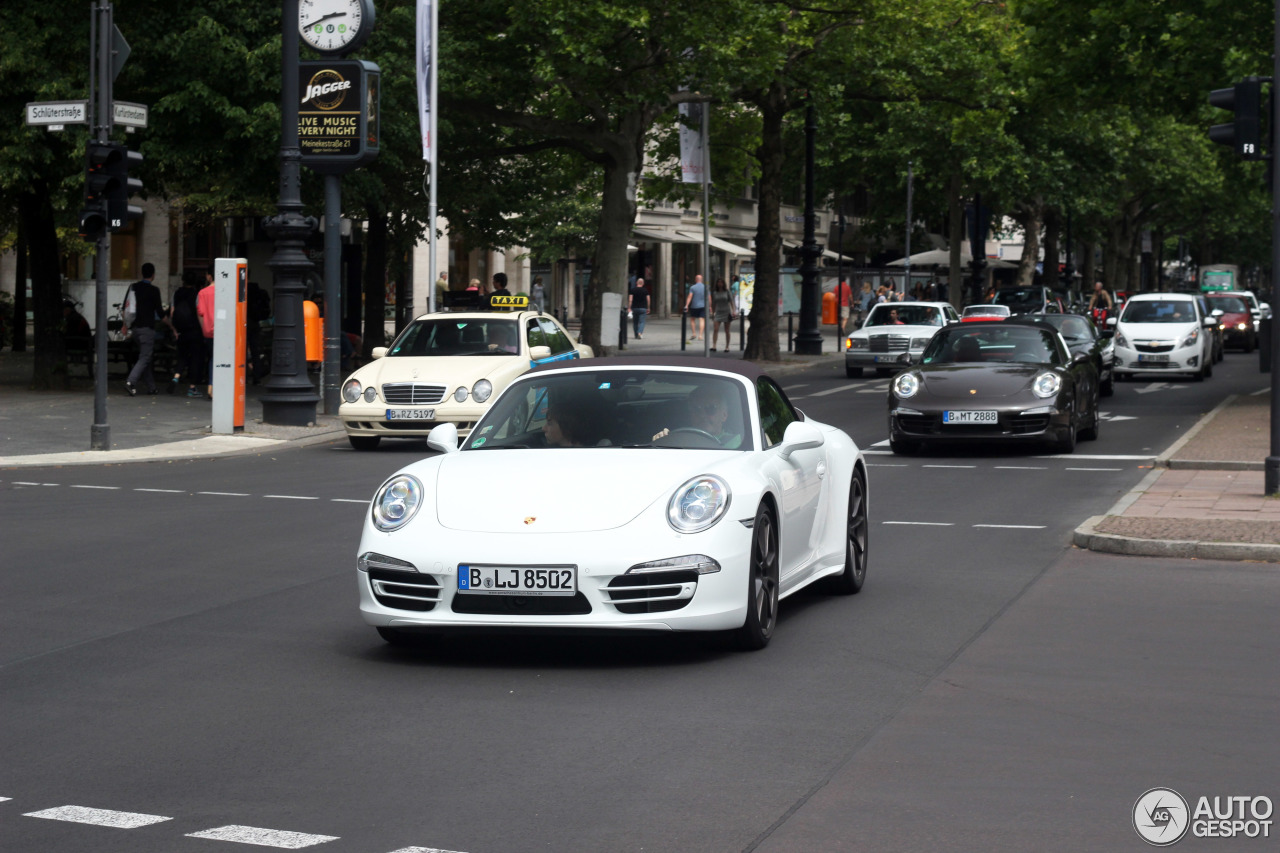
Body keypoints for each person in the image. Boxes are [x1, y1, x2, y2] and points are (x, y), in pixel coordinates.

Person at [123, 262, 164, 396]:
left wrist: (125, 325)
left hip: (135, 329)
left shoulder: (133, 287)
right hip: (147, 329)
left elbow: (126, 307)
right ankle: (130, 382)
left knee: (145, 357)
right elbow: (160, 311)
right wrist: (171, 325)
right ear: (153, 275)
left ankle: (152, 387)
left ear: (142, 273)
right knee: (145, 357)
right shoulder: (154, 291)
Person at [168, 271, 205, 396]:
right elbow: (199, 312)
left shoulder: (176, 293)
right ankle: (192, 388)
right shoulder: (197, 294)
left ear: (183, 280)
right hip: (194, 331)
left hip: (181, 331)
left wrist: (175, 329)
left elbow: (172, 313)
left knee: (182, 356)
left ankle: (176, 376)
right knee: (195, 358)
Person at [196, 268, 216, 398]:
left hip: (208, 331)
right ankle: (213, 387)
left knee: (212, 358)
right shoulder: (227, 292)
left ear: (209, 276)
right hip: (224, 332)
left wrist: (203, 329)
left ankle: (211, 387)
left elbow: (200, 314)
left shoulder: (202, 293)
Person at [246, 280, 269, 384]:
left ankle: (244, 375)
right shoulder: (257, 290)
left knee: (242, 350)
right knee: (255, 350)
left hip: (244, 321)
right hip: (255, 322)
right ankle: (257, 376)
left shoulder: (242, 289)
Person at [710, 277, 737, 352]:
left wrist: (733, 311)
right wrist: (713, 312)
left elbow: (731, 302)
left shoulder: (727, 291)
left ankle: (727, 346)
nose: (720, 284)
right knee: (715, 329)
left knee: (727, 330)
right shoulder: (715, 292)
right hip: (718, 312)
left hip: (726, 312)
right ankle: (714, 346)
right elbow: (714, 303)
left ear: (723, 283)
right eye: (718, 282)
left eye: (721, 282)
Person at [684, 274, 707, 340]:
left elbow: (690, 297)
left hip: (694, 306)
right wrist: (710, 306)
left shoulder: (692, 287)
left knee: (692, 319)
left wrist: (687, 305)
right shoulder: (705, 287)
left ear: (696, 279)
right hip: (703, 306)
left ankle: (694, 334)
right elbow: (709, 297)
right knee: (701, 319)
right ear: (701, 280)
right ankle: (700, 335)